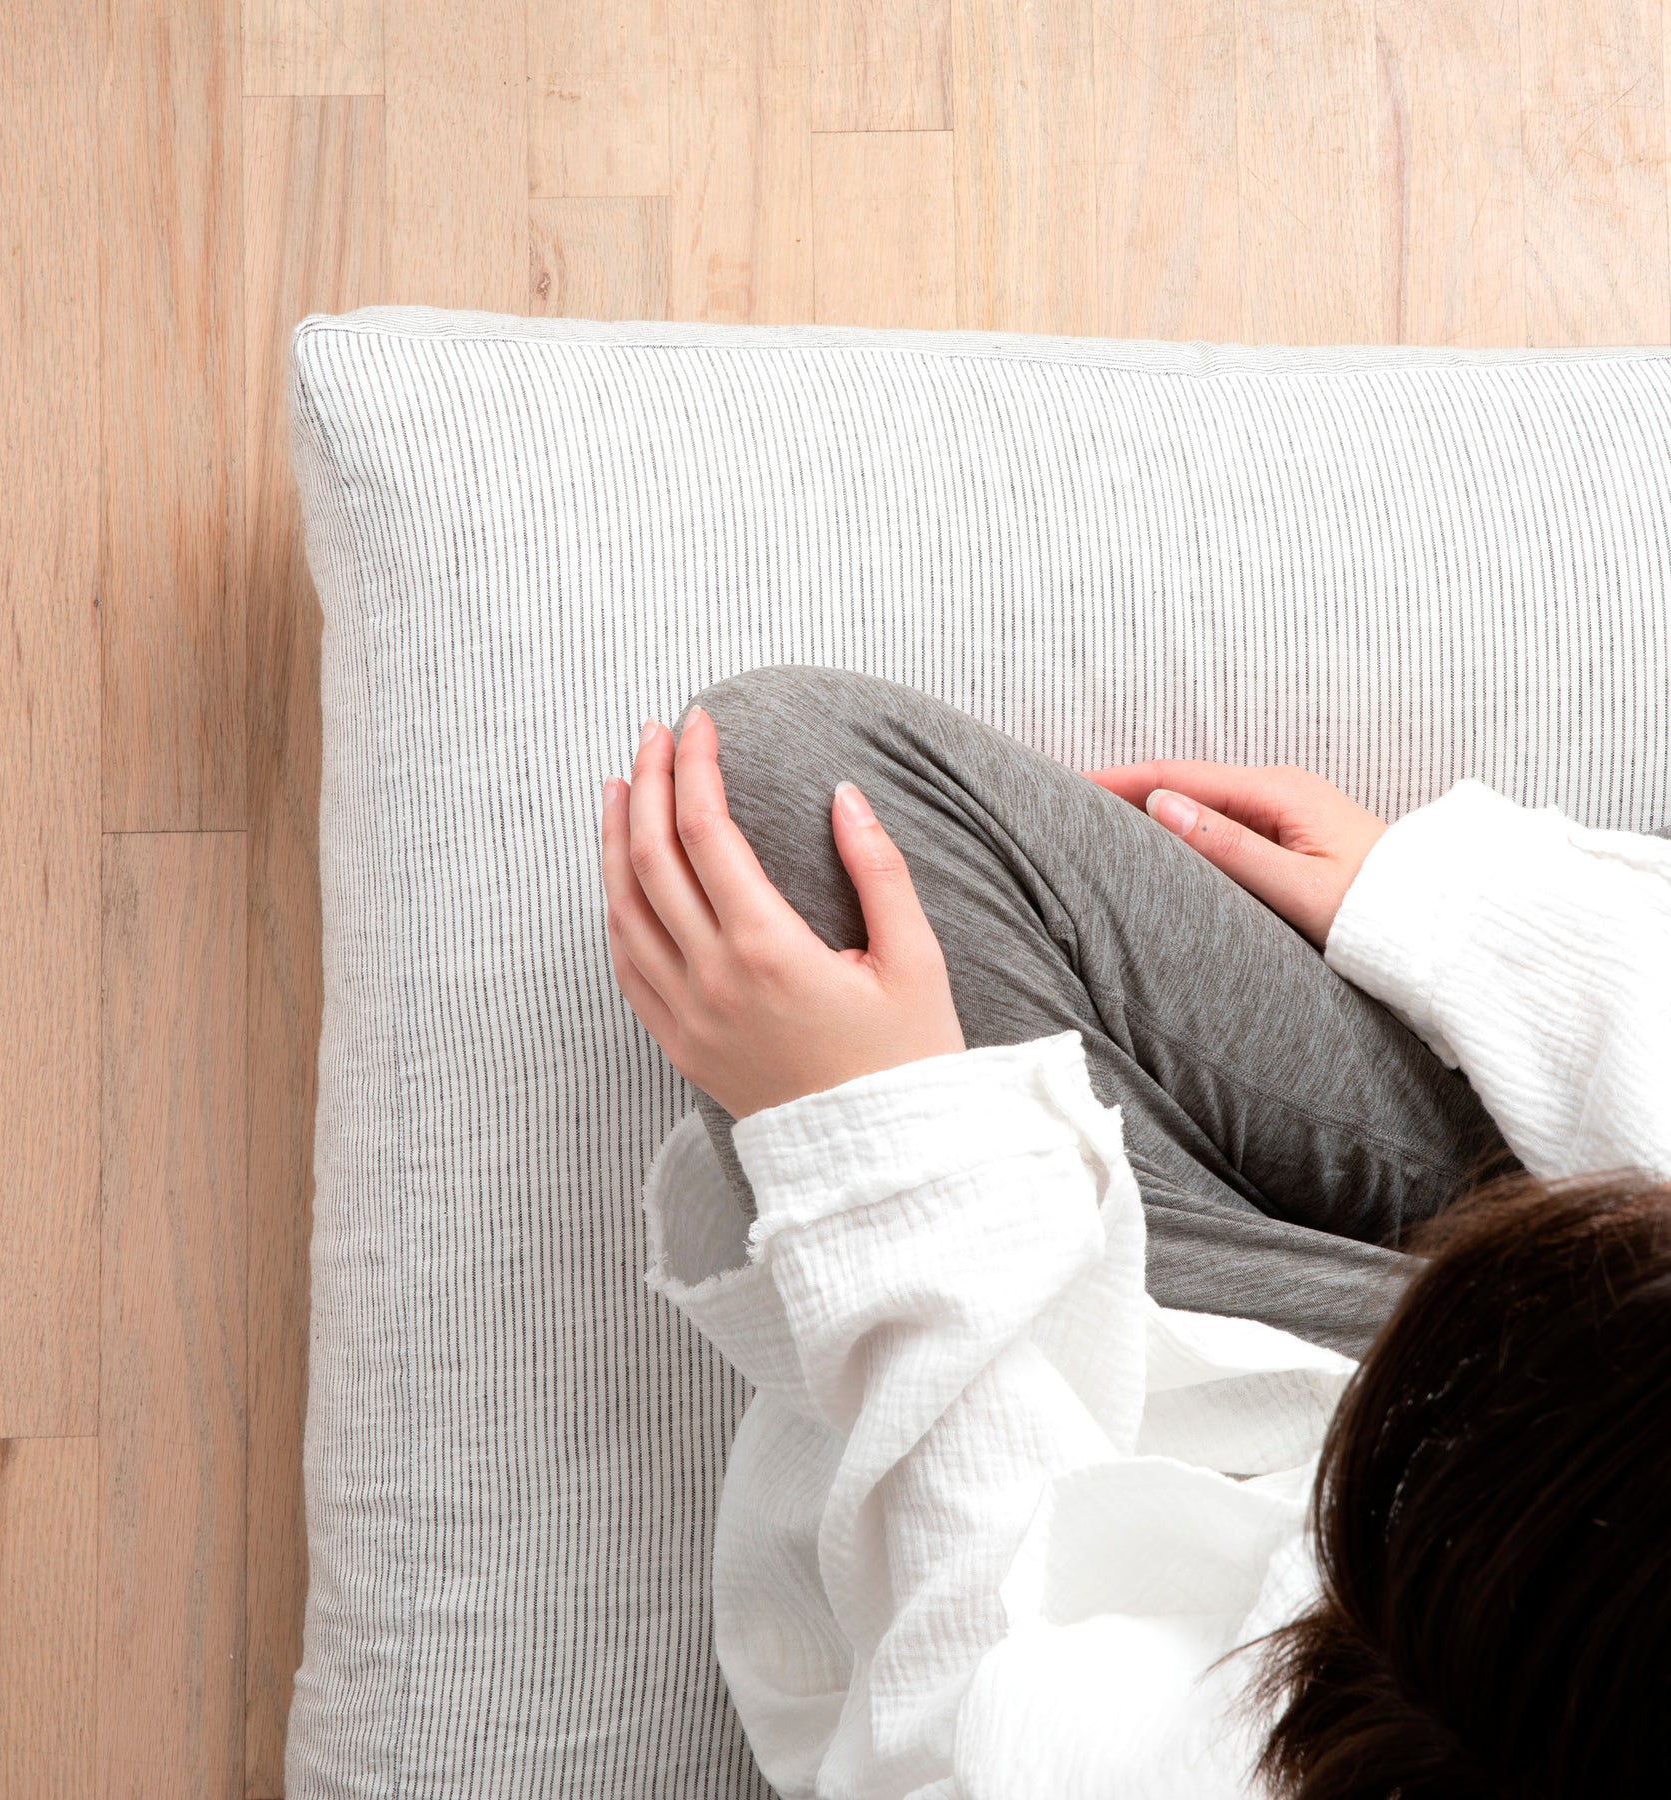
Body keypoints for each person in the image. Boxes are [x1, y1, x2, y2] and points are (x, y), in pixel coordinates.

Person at [597, 664, 1671, 1799]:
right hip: (1531, 1467)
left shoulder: (1218, 1748)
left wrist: (889, 1161)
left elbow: (979, 1728)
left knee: (780, 834)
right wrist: (1489, 932)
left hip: (1471, 1519)